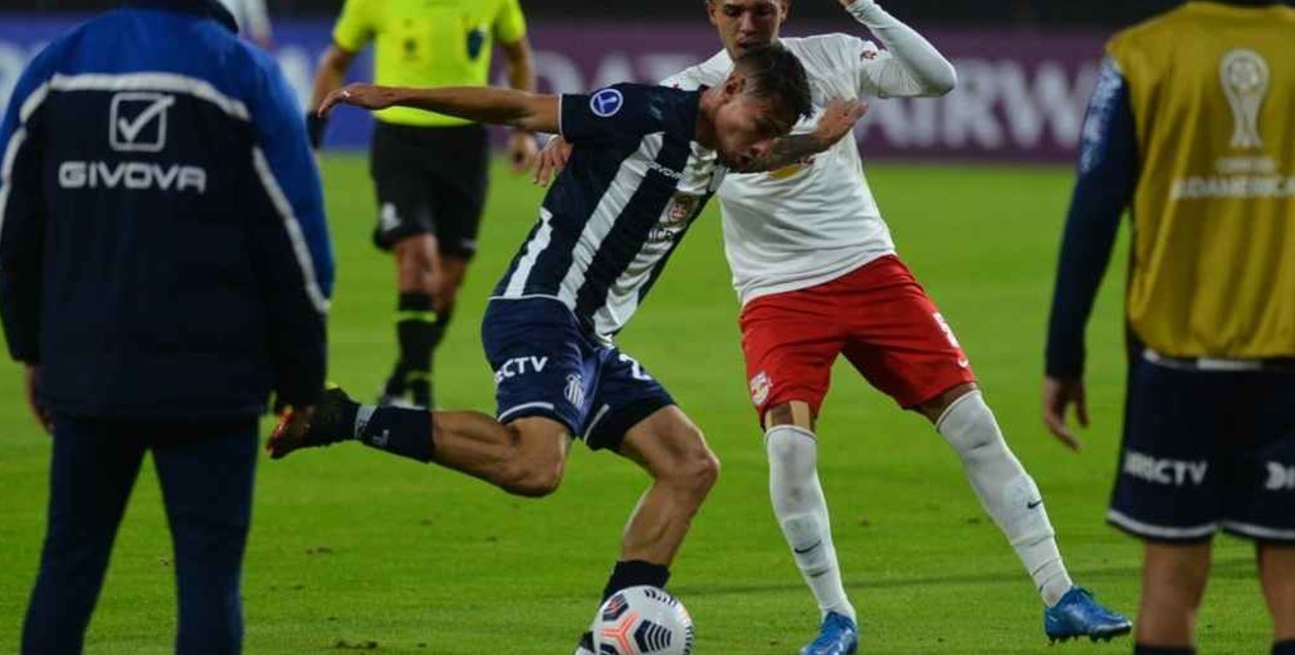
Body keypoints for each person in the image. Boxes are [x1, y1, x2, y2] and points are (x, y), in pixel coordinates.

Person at [531, 1, 1130, 654]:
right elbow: (657, 132)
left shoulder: (835, 55)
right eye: (734, 10)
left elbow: (940, 79)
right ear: (712, 12)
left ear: (784, 8)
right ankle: (836, 618)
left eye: (763, 9)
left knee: (975, 426)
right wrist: (577, 136)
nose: (749, 24)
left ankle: (1060, 594)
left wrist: (864, 5)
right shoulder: (691, 94)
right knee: (790, 452)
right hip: (777, 295)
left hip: (870, 270)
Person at [270, 43, 858, 651]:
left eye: (773, 134)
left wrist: (814, 141)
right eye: (762, 126)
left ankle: (603, 641)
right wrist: (399, 96)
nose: (762, 145)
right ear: (730, 89)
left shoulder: (725, 146)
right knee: (534, 467)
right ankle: (343, 417)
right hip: (542, 307)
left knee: (689, 467)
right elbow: (519, 108)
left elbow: (755, 153)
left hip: (590, 338)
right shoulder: (644, 112)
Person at [0, 0, 335, 653]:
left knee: (67, 567)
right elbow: (299, 240)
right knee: (209, 580)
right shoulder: (244, 74)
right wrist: (302, 377)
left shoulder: (56, 68)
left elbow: (12, 224)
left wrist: (30, 349)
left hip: (87, 372)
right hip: (215, 383)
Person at [1044, 2, 1295, 655]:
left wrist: (1063, 353)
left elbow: (1094, 208)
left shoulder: (1143, 54)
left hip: (1178, 368)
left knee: (1171, 579)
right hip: (1288, 360)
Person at [307, 0, 538, 410]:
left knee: (447, 284)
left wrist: (523, 132)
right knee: (416, 256)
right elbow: (335, 61)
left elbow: (519, 57)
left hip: (465, 146)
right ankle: (422, 395)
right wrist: (313, 138)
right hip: (400, 142)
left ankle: (401, 379)